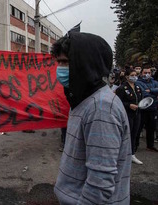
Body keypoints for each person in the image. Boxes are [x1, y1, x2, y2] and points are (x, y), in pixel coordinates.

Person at [52, 32, 131, 204]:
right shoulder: (84, 98)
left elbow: (99, 185)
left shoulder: (101, 108)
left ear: (85, 64)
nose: (60, 68)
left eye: (65, 62)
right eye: (58, 62)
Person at [116, 68, 143, 164]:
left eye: (136, 75)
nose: (134, 77)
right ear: (127, 76)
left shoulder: (138, 87)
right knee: (125, 135)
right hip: (127, 115)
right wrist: (128, 105)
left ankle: (132, 154)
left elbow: (141, 99)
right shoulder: (122, 88)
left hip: (137, 114)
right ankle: (121, 154)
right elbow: (118, 103)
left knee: (134, 134)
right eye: (132, 75)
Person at [136, 65, 158, 152]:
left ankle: (150, 146)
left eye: (149, 72)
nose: (147, 74)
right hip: (142, 110)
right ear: (141, 73)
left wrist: (151, 90)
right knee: (138, 129)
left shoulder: (155, 82)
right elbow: (144, 93)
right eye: (145, 73)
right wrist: (154, 92)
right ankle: (135, 146)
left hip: (153, 109)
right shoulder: (138, 82)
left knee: (151, 129)